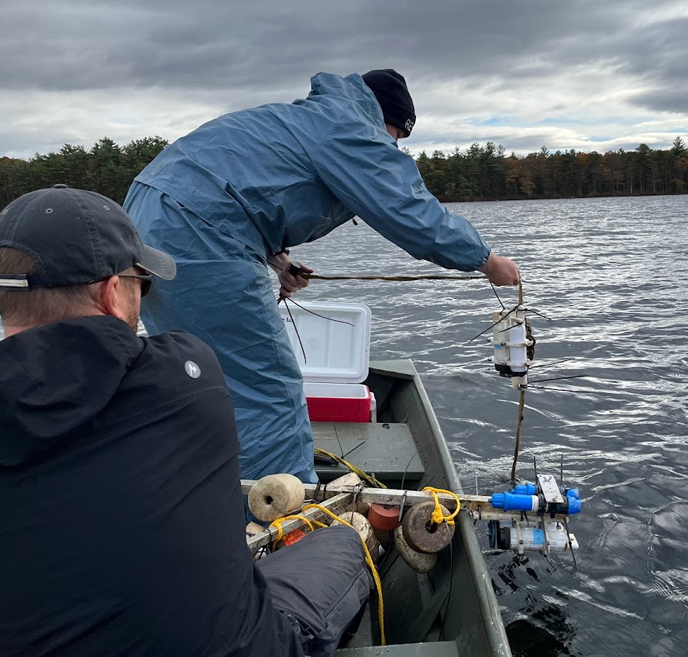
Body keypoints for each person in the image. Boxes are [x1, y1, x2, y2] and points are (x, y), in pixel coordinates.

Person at [0, 185, 370, 657]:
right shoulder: (189, 373)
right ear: (111, 293)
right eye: (140, 283)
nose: (143, 296)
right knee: (344, 539)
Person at [124, 69, 521, 482]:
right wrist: (487, 260)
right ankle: (278, 525)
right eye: (397, 137)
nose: (393, 147)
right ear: (386, 120)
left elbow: (240, 187)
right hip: (199, 235)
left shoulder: (310, 119)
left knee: (200, 374)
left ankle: (196, 490)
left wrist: (277, 262)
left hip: (146, 222)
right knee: (269, 394)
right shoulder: (350, 127)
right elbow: (408, 209)